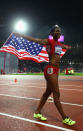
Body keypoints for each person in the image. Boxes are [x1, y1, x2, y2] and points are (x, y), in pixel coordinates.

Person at [14, 25, 76, 126]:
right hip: (50, 69)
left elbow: (66, 47)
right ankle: (65, 118)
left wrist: (68, 47)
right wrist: (21, 35)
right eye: (56, 31)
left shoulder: (59, 44)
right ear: (52, 34)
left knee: (47, 93)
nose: (58, 32)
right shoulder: (49, 41)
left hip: (56, 70)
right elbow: (36, 40)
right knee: (56, 94)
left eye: (59, 31)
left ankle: (37, 112)